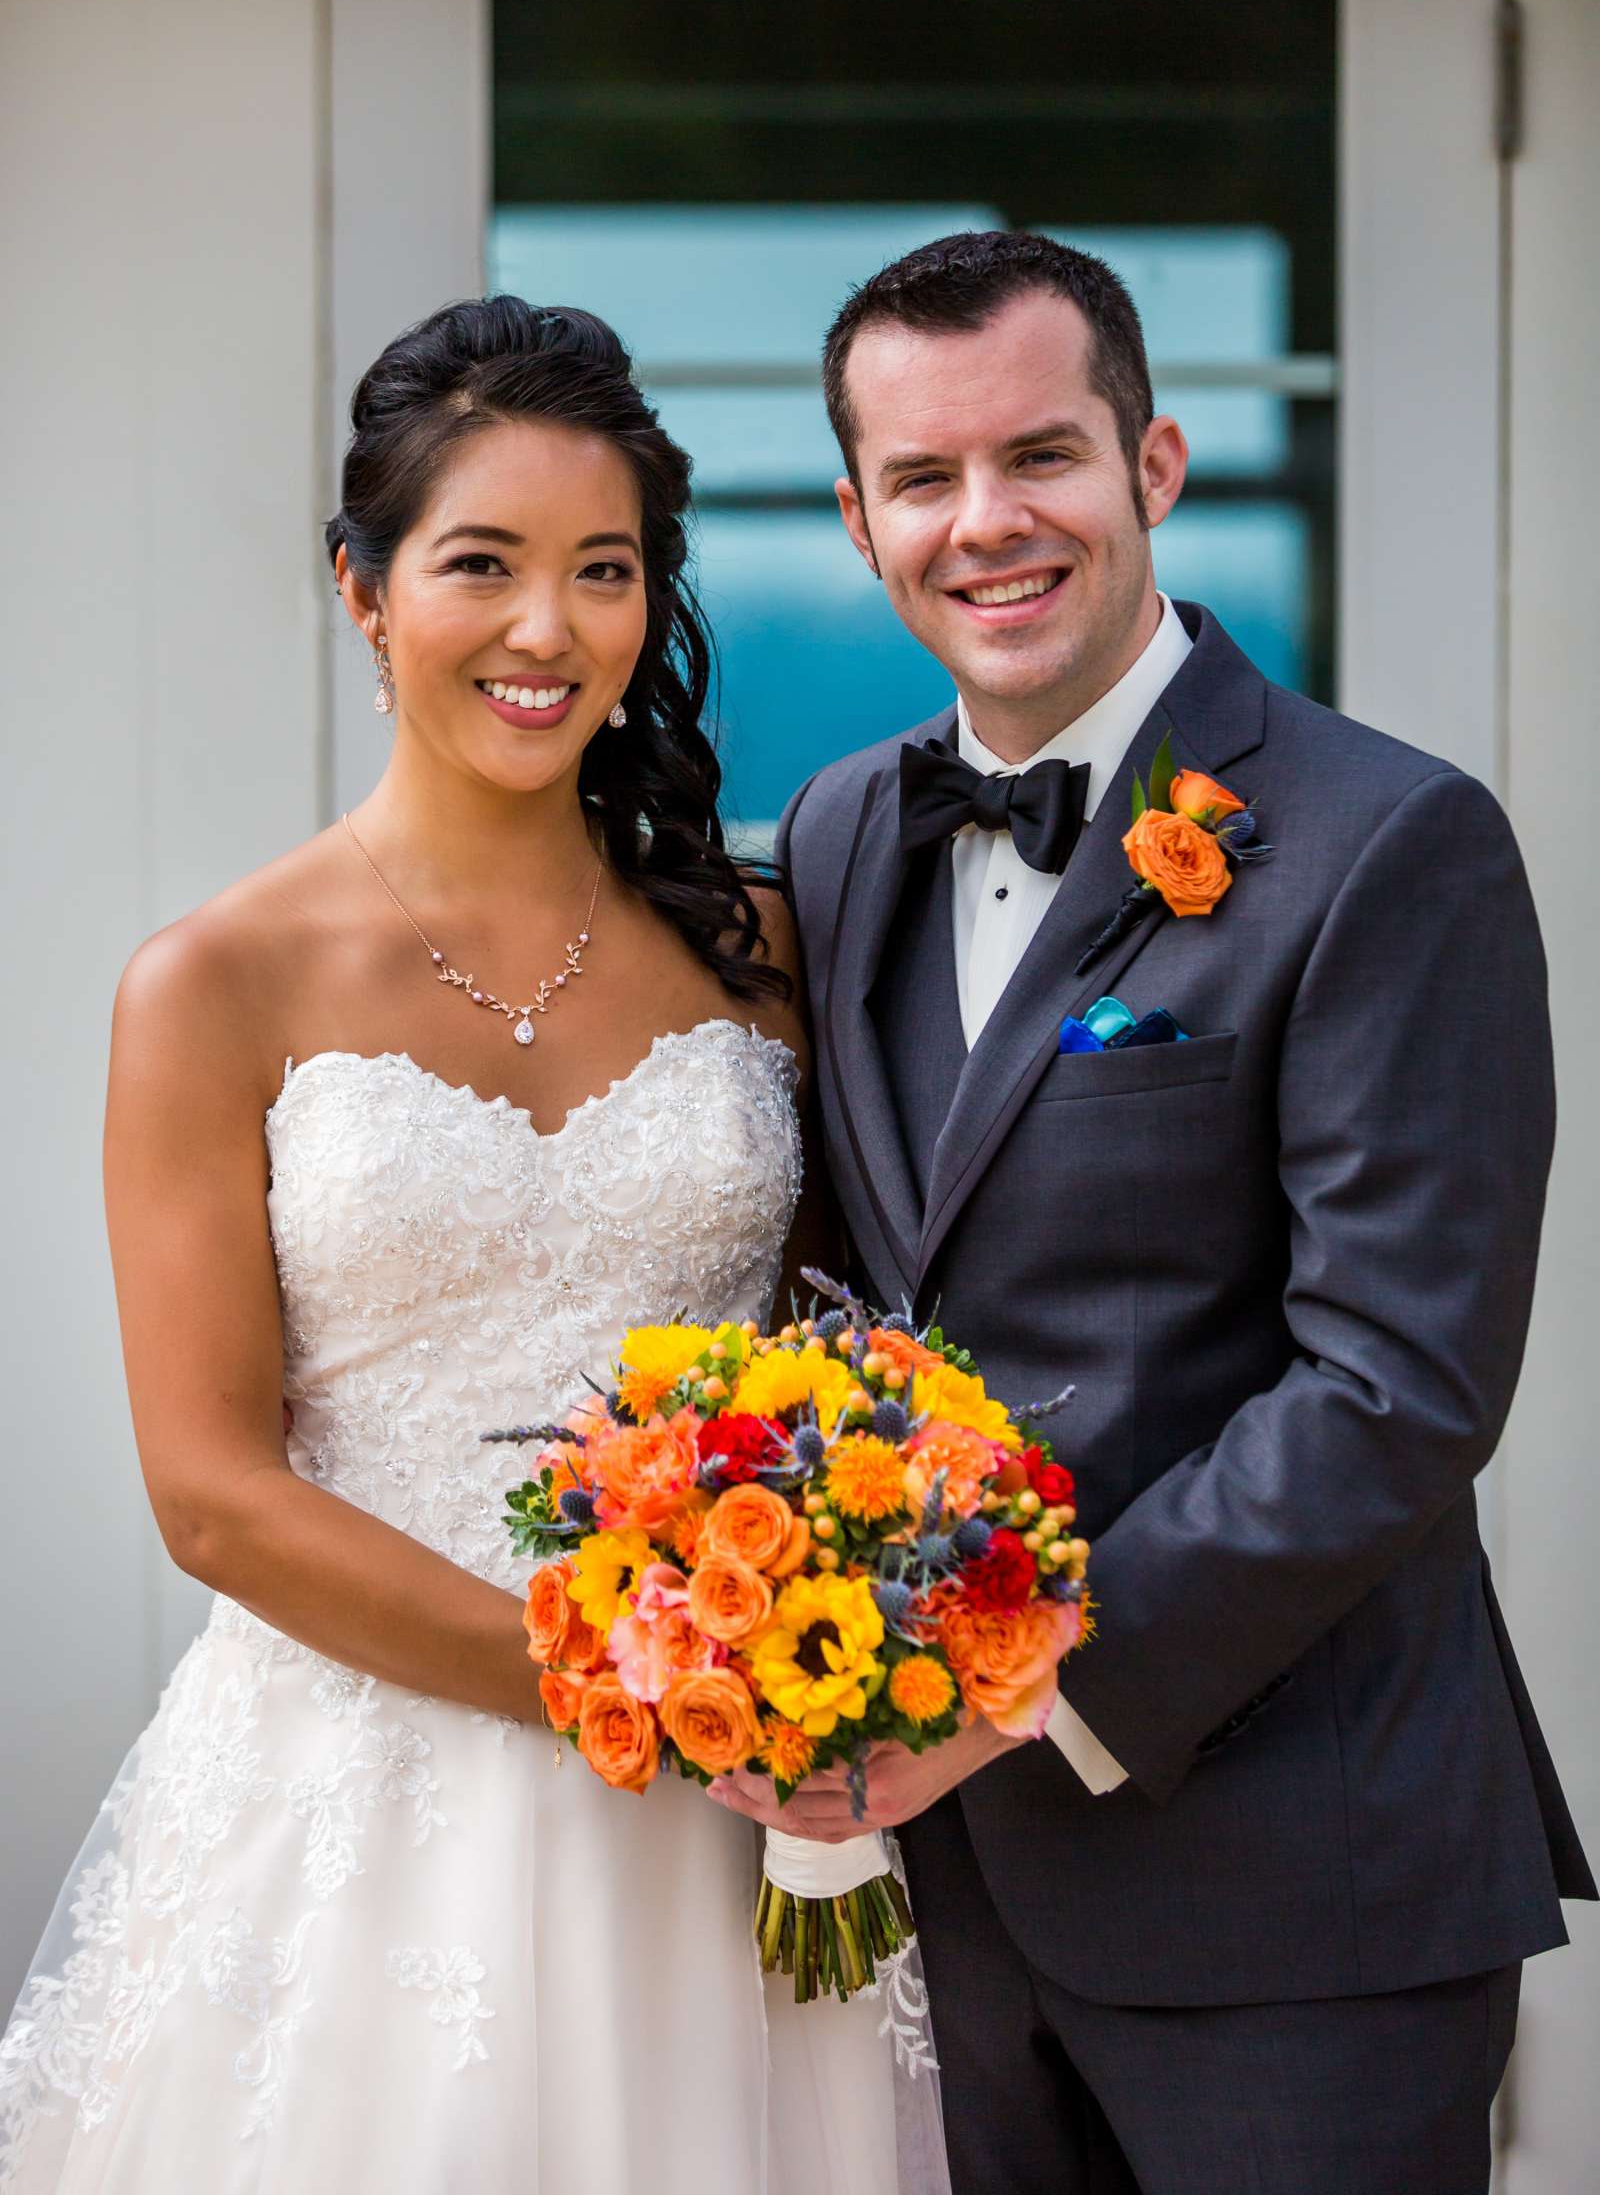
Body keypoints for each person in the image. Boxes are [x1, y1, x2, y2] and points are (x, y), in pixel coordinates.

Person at [0, 296, 915, 2193]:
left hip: (740, 1807)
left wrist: (801, 1660)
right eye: (478, 564)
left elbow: (847, 1356)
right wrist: (632, 1696)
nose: (544, 630)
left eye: (603, 572)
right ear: (362, 587)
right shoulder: (214, 983)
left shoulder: (764, 954)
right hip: (360, 1799)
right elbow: (211, 1495)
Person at [715, 230, 1596, 2193]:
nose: (985, 523)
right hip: (936, 1902)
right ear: (856, 521)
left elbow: (1394, 1387)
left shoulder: (1390, 842)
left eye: (1038, 455)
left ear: (1154, 464)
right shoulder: (847, 824)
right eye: (921, 479)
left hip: (1297, 1888)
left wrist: (1015, 1690)